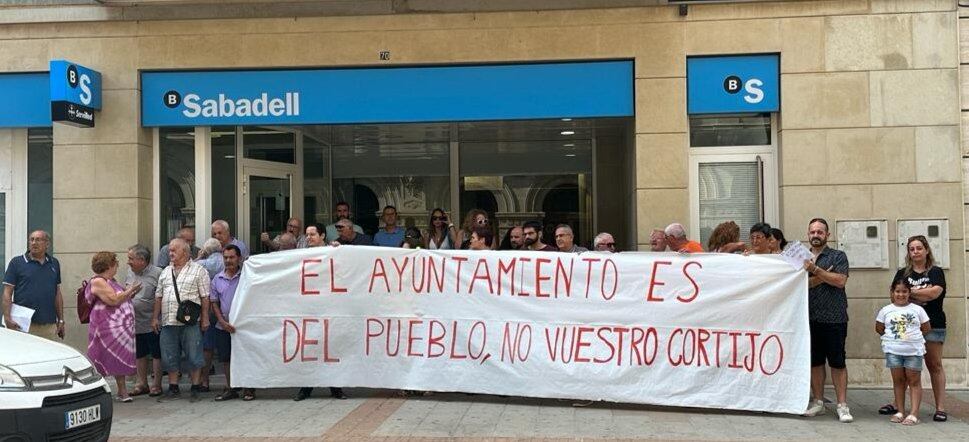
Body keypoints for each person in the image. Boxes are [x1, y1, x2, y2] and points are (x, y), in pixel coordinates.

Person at [880, 235, 948, 422]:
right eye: (912, 249)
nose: (916, 251)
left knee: (934, 365)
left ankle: (940, 407)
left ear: (926, 250)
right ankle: (898, 405)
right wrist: (916, 295)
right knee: (902, 368)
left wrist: (909, 293)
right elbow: (896, 296)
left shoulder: (935, 272)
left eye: (919, 248)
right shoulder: (903, 273)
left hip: (933, 324)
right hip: (906, 329)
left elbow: (935, 293)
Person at [801, 218, 852, 422]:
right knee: (815, 362)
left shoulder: (838, 256)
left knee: (838, 362)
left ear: (827, 235)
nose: (816, 235)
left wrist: (814, 271)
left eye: (820, 232)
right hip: (808, 317)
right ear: (808, 234)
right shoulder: (801, 257)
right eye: (812, 232)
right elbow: (799, 285)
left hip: (835, 318)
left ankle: (842, 405)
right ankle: (819, 402)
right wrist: (824, 276)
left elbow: (840, 281)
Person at [153, 238, 211, 403]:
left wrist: (205, 318)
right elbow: (158, 296)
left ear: (185, 252)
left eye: (174, 250)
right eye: (169, 250)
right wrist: (154, 318)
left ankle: (195, 387)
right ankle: (173, 387)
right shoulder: (165, 272)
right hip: (168, 321)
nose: (170, 253)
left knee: (194, 354)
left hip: (190, 322)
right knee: (169, 355)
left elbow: (205, 297)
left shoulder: (199, 270)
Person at [295, 228, 348, 402]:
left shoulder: (333, 251)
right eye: (307, 235)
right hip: (309, 308)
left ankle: (336, 387)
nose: (308, 237)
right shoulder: (301, 255)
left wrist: (339, 249)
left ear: (322, 236)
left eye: (312, 234)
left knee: (331, 348)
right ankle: (306, 387)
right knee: (310, 348)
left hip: (330, 307)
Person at [85, 251, 141, 402]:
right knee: (101, 356)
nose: (117, 267)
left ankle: (122, 392)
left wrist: (131, 293)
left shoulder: (111, 280)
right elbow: (113, 300)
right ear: (109, 265)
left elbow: (120, 297)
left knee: (118, 358)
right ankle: (96, 392)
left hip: (118, 329)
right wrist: (130, 290)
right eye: (116, 264)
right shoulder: (98, 281)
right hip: (104, 327)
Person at [875, 278, 930, 426]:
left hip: (913, 351)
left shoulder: (918, 310)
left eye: (904, 291)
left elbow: (926, 328)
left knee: (914, 381)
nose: (901, 294)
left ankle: (913, 414)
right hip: (893, 351)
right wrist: (893, 340)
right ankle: (900, 411)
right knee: (898, 381)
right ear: (892, 293)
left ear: (909, 292)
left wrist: (912, 339)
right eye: (897, 291)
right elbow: (879, 328)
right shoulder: (886, 310)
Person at [2, 230, 64, 341]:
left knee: (48, 356)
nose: (34, 243)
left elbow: (57, 293)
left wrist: (61, 320)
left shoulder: (54, 263)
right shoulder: (17, 263)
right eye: (31, 240)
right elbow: (7, 293)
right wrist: (7, 318)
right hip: (23, 324)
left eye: (38, 240)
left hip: (48, 325)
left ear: (47, 244)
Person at [211, 245, 254, 401]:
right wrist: (222, 321)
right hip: (223, 326)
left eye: (232, 257)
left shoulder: (247, 277)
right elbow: (214, 302)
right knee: (226, 358)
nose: (228, 260)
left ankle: (249, 388)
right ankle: (231, 388)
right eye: (226, 257)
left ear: (239, 258)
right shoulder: (217, 278)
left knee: (246, 357)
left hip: (243, 327)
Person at [125, 244, 164, 397]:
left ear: (142, 260)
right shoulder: (130, 272)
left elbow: (160, 297)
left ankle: (157, 384)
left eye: (131, 258)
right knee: (139, 353)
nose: (128, 262)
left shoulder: (158, 273)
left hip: (152, 321)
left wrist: (156, 318)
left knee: (156, 353)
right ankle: (141, 383)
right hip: (135, 321)